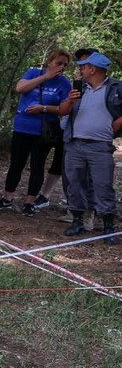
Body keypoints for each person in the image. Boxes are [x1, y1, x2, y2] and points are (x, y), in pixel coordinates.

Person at [0, 49, 72, 216]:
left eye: (65, 65)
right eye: (58, 63)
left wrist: (43, 108)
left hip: (43, 131)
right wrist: (45, 77)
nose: (61, 67)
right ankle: (7, 198)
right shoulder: (34, 72)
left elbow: (64, 109)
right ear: (50, 62)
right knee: (16, 163)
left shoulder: (64, 84)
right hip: (22, 127)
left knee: (37, 166)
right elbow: (19, 88)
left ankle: (29, 202)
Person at [58, 52, 122, 244]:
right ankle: (78, 221)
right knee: (74, 183)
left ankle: (109, 226)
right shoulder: (80, 89)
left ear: (92, 69)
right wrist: (70, 100)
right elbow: (62, 111)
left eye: (83, 67)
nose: (80, 70)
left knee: (103, 185)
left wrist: (114, 128)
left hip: (100, 146)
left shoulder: (116, 87)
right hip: (75, 143)